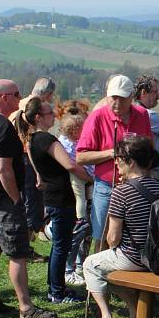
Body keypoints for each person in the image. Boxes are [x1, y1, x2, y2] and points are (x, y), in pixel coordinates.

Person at [0, 79, 57, 318]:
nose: (20, 98)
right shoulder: (2, 128)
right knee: (18, 254)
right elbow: (4, 169)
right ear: (3, 97)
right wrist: (16, 198)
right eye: (16, 94)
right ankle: (26, 307)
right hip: (2, 201)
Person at [83, 136, 159, 318]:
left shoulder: (121, 192)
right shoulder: (158, 185)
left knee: (91, 265)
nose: (115, 161)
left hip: (134, 256)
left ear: (131, 161)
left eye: (118, 157)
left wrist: (112, 248)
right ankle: (134, 312)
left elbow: (113, 238)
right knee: (110, 269)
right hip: (158, 255)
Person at [18, 98, 89, 303]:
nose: (54, 117)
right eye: (50, 114)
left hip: (51, 196)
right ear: (39, 117)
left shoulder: (32, 139)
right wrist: (90, 179)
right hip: (61, 198)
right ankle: (57, 292)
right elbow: (70, 165)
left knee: (59, 245)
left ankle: (55, 288)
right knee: (61, 246)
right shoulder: (48, 140)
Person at [77, 74, 152, 252]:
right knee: (103, 236)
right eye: (113, 98)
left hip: (136, 187)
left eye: (122, 98)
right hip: (106, 187)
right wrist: (113, 153)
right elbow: (81, 157)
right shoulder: (97, 118)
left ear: (131, 96)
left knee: (136, 235)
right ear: (107, 95)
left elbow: (150, 149)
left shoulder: (142, 115)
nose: (117, 103)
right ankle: (99, 276)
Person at [10, 77, 56, 243]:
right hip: (28, 161)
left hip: (15, 160)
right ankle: (26, 245)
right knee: (32, 205)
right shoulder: (33, 109)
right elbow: (28, 142)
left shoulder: (20, 104)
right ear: (48, 94)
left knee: (25, 202)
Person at [57, 112, 94, 287]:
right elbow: (75, 165)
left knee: (86, 232)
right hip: (78, 182)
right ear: (74, 131)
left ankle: (80, 264)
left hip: (86, 182)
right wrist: (90, 177)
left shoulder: (72, 142)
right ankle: (70, 268)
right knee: (79, 229)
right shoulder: (66, 145)